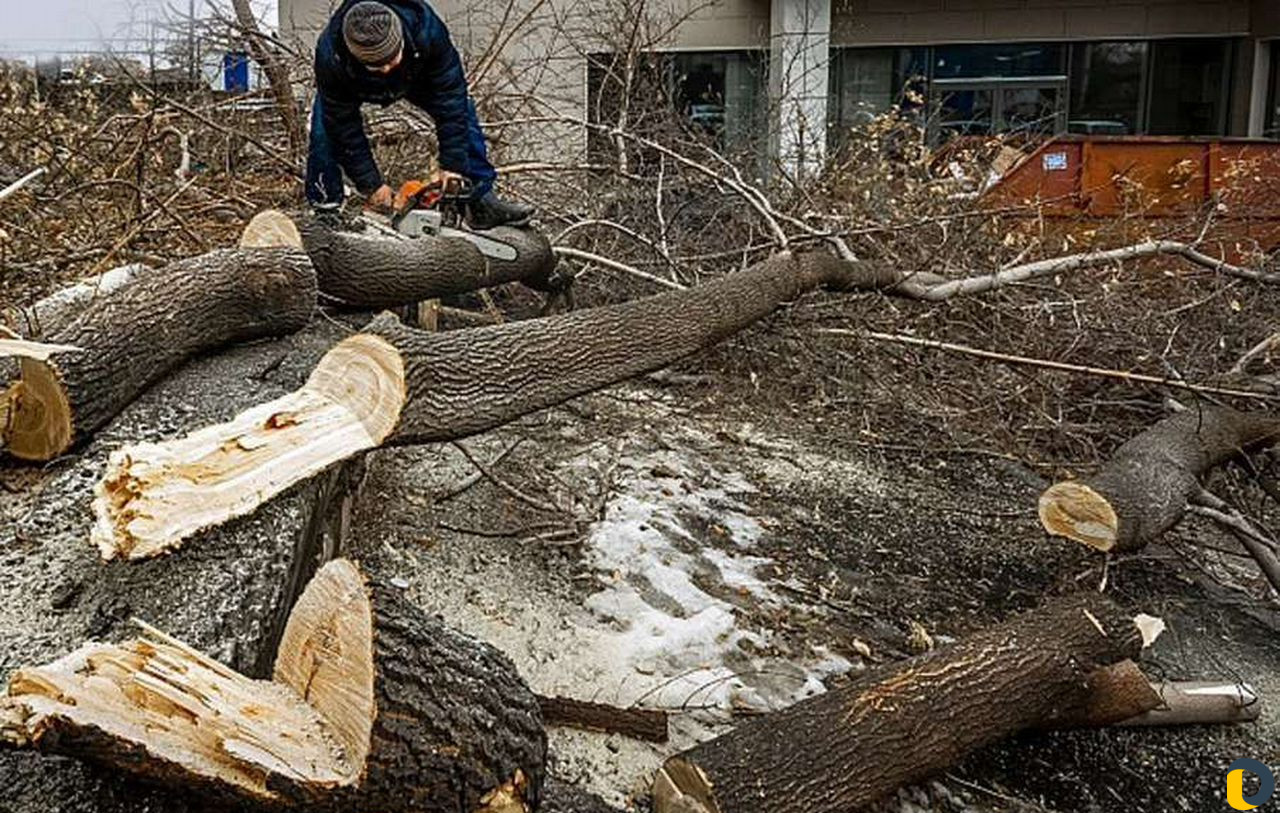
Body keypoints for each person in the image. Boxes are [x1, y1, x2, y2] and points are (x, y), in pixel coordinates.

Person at [305, 0, 533, 229]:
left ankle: (481, 201)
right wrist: (371, 185)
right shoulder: (330, 56)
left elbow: (451, 99)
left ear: (401, 40)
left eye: (390, 60)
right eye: (376, 66)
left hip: (414, 76)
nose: (385, 70)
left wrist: (454, 165)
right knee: (324, 128)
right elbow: (343, 127)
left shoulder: (427, 30)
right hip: (355, 83)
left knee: (463, 108)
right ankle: (326, 208)